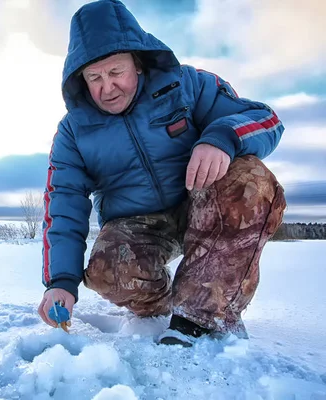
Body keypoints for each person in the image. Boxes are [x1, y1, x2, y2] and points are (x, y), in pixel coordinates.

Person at [37, 0, 286, 347]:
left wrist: (221, 139)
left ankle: (201, 318)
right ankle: (165, 305)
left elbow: (266, 119)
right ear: (80, 80)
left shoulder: (187, 85)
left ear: (137, 64)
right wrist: (60, 282)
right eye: (94, 77)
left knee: (249, 181)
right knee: (108, 270)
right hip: (139, 224)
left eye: (115, 72)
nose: (107, 88)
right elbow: (63, 204)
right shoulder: (72, 132)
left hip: (200, 200)